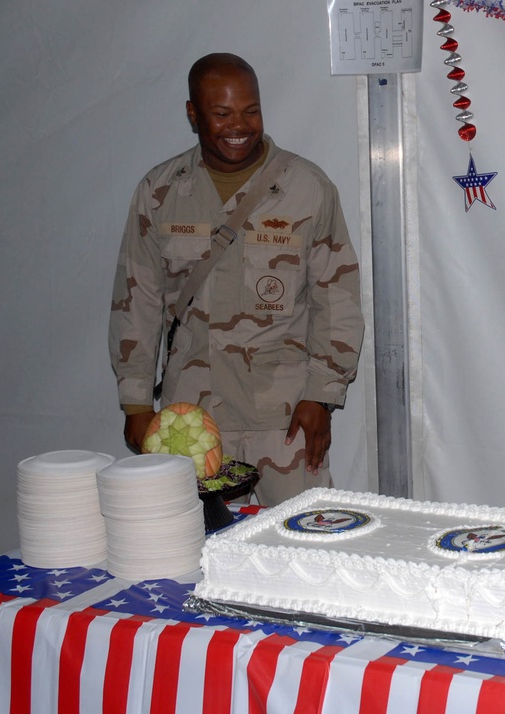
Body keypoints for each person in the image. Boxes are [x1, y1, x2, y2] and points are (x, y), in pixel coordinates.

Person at [109, 53, 364, 504]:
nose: (238, 125)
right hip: (191, 420)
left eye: (251, 110)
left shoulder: (306, 187)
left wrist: (322, 396)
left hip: (284, 417)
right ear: (193, 113)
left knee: (295, 547)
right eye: (221, 113)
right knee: (197, 552)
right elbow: (138, 298)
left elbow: (337, 297)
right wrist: (135, 402)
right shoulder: (161, 192)